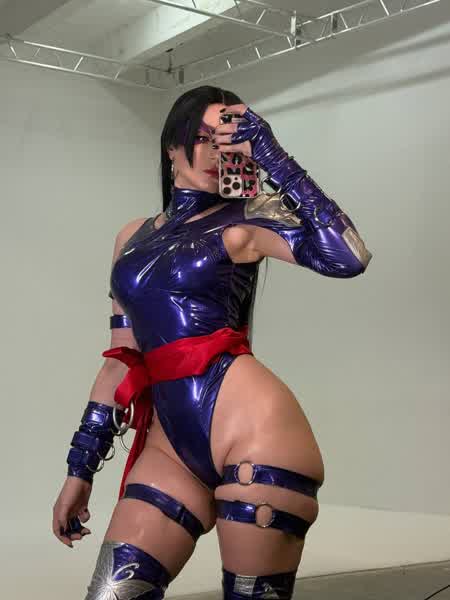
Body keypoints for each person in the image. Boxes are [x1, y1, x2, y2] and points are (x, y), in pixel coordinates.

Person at [52, 85, 372, 599]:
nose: (214, 152)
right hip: (170, 448)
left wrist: (271, 154)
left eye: (227, 140)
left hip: (256, 435)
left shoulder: (248, 219)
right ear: (171, 147)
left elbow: (348, 257)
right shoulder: (132, 237)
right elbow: (121, 361)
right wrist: (79, 471)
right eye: (200, 138)